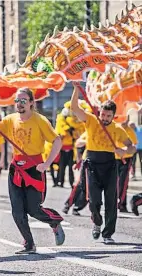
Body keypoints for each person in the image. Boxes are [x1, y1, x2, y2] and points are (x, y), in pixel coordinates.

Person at [0, 87, 65, 254]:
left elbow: (57, 141)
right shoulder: (10, 119)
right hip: (16, 168)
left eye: (23, 101)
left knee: (33, 209)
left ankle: (54, 221)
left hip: (35, 167)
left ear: (31, 103)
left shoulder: (40, 120)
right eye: (17, 101)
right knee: (17, 210)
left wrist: (46, 164)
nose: (19, 104)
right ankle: (29, 243)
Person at [70, 84, 135, 243]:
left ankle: (107, 234)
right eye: (103, 115)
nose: (105, 118)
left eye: (108, 116)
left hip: (110, 165)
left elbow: (131, 147)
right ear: (100, 113)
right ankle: (97, 223)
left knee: (111, 201)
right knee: (94, 199)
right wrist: (76, 89)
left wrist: (124, 151)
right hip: (91, 164)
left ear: (113, 116)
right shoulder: (91, 120)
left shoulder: (118, 129)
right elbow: (74, 108)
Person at [63, 132, 89, 216]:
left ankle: (77, 207)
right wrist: (79, 161)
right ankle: (68, 205)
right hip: (87, 162)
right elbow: (78, 144)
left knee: (90, 188)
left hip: (103, 164)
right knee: (79, 185)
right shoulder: (90, 130)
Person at [115, 120, 138, 213]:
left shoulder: (129, 131)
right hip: (114, 158)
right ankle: (114, 202)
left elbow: (134, 145)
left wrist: (124, 150)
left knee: (123, 183)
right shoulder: (115, 128)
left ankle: (121, 204)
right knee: (113, 183)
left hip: (126, 159)